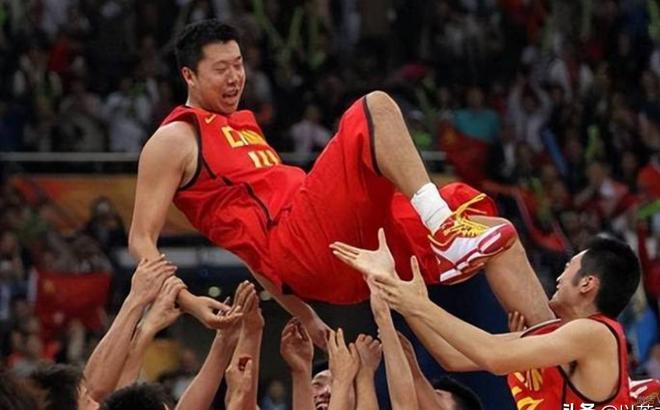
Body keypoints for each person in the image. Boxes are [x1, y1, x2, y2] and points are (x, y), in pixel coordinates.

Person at [129, 19, 532, 347]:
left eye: (238, 65)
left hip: (333, 252)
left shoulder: (242, 125)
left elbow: (252, 253)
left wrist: (306, 315)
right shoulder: (175, 138)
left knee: (496, 233)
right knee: (374, 108)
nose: (235, 77)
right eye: (221, 69)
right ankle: (442, 228)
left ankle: (556, 360)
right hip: (300, 240)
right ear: (189, 75)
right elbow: (141, 240)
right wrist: (185, 300)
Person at [334, 234, 640, 408]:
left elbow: (493, 356)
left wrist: (416, 303)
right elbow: (452, 356)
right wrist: (394, 286)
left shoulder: (596, 333)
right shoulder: (553, 335)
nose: (559, 277)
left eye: (568, 267)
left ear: (587, 283)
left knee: (503, 235)